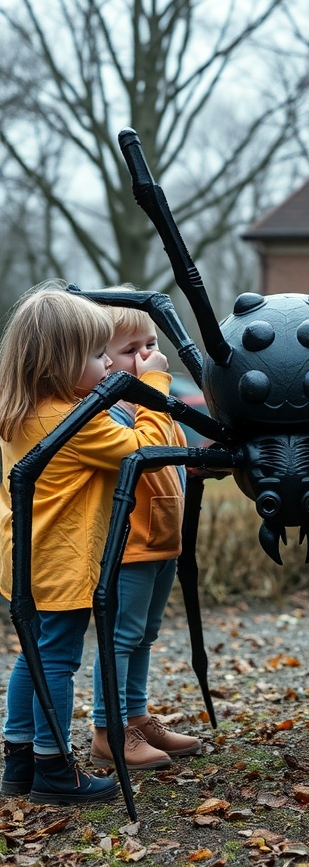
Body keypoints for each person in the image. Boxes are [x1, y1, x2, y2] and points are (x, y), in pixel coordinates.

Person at [0, 285, 179, 805]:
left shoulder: (24, 408)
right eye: (98, 355)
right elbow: (150, 450)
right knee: (56, 659)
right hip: (62, 561)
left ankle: (19, 760)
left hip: (25, 555)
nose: (107, 365)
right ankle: (54, 766)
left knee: (31, 657)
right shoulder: (74, 420)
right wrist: (155, 381)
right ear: (59, 362)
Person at [90, 301, 202, 770]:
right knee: (121, 637)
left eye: (151, 346)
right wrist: (153, 388)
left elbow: (171, 451)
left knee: (144, 635)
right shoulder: (110, 411)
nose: (146, 356)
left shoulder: (147, 403)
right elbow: (142, 452)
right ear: (102, 359)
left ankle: (135, 717)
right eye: (130, 349)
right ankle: (107, 729)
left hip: (161, 542)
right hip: (130, 547)